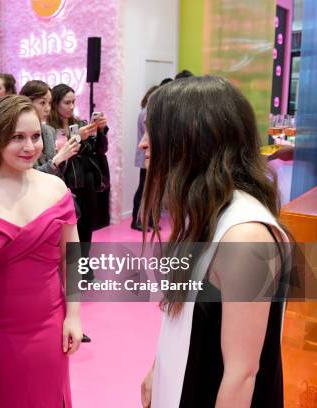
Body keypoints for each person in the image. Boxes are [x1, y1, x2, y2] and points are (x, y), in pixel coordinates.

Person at [139, 76, 289, 408]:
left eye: (154, 132)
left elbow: (242, 374)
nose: (143, 144)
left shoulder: (245, 236)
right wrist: (158, 370)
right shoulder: (207, 212)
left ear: (191, 140)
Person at [0, 95, 83, 407]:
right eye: (17, 137)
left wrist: (74, 315)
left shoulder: (55, 188)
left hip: (48, 322)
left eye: (36, 136)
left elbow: (71, 256)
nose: (30, 147)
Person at [48, 84, 109, 282]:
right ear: (55, 103)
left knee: (86, 229)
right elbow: (55, 157)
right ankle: (69, 271)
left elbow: (100, 150)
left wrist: (100, 130)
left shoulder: (80, 123)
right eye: (67, 102)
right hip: (64, 183)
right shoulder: (48, 129)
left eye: (74, 101)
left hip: (87, 181)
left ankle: (84, 268)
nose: (72, 106)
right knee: (66, 232)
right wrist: (77, 137)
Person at [20, 80, 79, 175]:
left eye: (49, 103)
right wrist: (56, 160)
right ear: (27, 102)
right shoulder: (19, 133)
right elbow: (30, 175)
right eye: (42, 103)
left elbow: (60, 171)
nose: (48, 108)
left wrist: (64, 156)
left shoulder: (49, 130)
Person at [131, 85, 158, 231]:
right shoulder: (146, 113)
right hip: (145, 158)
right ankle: (136, 219)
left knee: (151, 190)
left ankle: (150, 219)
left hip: (147, 157)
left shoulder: (148, 112)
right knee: (143, 189)